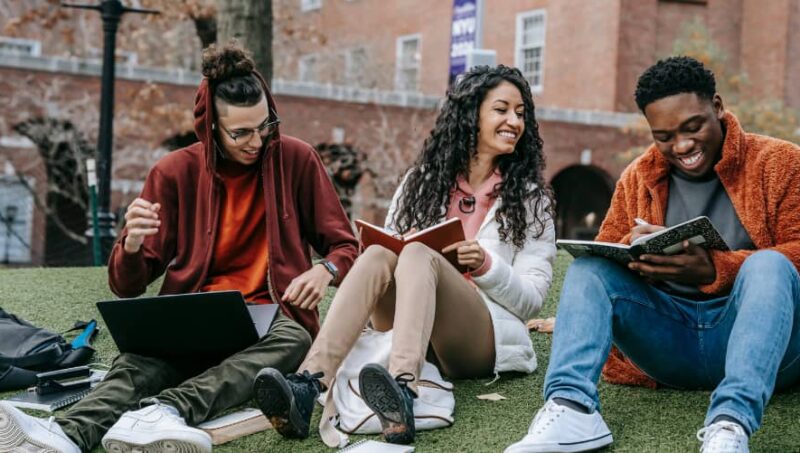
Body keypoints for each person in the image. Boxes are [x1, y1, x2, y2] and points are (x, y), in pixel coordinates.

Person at [0, 42, 358, 453]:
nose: (257, 141)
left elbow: (345, 245)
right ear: (210, 128)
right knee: (137, 363)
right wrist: (131, 245)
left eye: (265, 126)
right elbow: (126, 286)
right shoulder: (173, 172)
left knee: (295, 340)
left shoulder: (297, 159)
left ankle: (165, 412)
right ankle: (65, 434)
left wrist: (324, 270)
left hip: (272, 317)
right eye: (241, 132)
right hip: (194, 313)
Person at [505, 56, 800, 453]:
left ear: (717, 106)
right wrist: (637, 251)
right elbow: (609, 252)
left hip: (765, 349)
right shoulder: (638, 176)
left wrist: (716, 268)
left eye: (693, 127)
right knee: (590, 268)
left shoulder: (780, 163)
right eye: (664, 136)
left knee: (770, 265)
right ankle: (571, 406)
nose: (682, 146)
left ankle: (730, 426)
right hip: (669, 344)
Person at [253, 65, 557, 445]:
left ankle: (402, 391)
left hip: (478, 339)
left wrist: (485, 265)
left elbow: (530, 301)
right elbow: (389, 258)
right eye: (501, 109)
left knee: (418, 255)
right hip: (406, 325)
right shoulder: (421, 182)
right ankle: (307, 384)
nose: (514, 121)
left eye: (520, 113)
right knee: (382, 252)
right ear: (471, 115)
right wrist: (402, 243)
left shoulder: (530, 199)